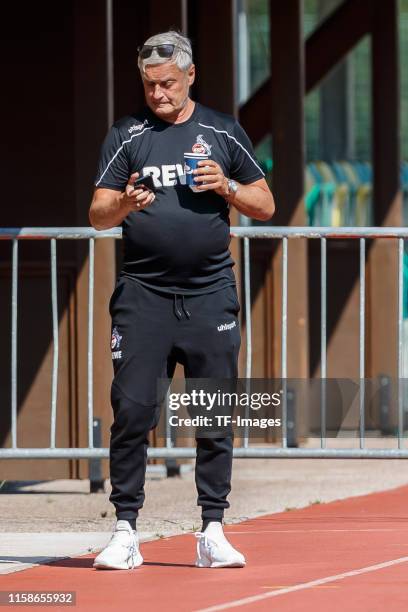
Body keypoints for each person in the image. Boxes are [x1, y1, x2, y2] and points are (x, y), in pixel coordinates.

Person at [89, 30, 275, 571]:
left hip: (209, 297)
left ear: (190, 76)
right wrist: (124, 202)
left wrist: (227, 188)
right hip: (143, 297)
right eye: (150, 85)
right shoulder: (127, 134)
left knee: (213, 412)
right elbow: (97, 213)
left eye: (168, 84)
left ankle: (213, 529)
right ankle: (125, 531)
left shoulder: (221, 130)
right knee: (133, 410)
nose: (158, 94)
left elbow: (265, 203)